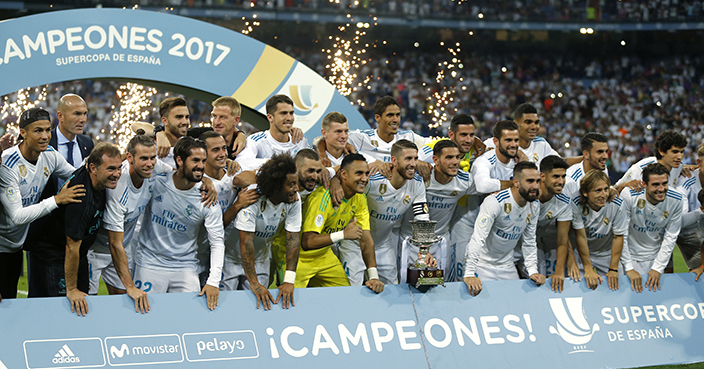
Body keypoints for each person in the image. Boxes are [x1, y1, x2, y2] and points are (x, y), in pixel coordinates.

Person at [28, 143, 122, 317]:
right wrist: (71, 289)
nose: (116, 174)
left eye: (119, 168)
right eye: (111, 169)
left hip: (78, 254)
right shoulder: (80, 197)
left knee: (83, 300)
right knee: (61, 308)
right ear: (93, 168)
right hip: (53, 255)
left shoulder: (95, 177)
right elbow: (71, 246)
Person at [0, 108, 84, 301]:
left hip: (16, 245)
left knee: (10, 303)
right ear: (23, 132)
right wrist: (56, 200)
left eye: (48, 130)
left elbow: (76, 175)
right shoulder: (8, 165)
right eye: (38, 130)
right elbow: (18, 216)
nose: (46, 136)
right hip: (2, 247)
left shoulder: (49, 155)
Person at [133, 137, 225, 310]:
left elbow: (217, 243)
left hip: (185, 266)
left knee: (189, 320)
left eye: (203, 161)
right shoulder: (157, 182)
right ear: (180, 161)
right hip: (149, 264)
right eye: (195, 160)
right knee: (145, 321)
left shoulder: (207, 199)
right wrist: (159, 133)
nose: (201, 166)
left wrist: (213, 281)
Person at [297, 153, 384, 293]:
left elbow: (366, 238)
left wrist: (373, 276)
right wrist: (342, 234)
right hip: (296, 256)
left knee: (343, 296)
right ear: (343, 174)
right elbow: (307, 242)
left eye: (367, 174)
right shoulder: (322, 197)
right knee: (286, 300)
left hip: (324, 255)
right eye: (359, 173)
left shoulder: (359, 197)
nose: (365, 179)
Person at [399, 140, 477, 282]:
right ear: (435, 159)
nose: (455, 162)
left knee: (440, 288)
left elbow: (490, 185)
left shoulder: (464, 181)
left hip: (440, 243)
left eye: (458, 157)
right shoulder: (418, 177)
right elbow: (393, 168)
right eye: (449, 157)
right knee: (405, 287)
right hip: (409, 240)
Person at [463, 161, 545, 296]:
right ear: (516, 182)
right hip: (482, 264)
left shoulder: (534, 205)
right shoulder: (495, 202)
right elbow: (478, 239)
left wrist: (532, 271)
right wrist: (470, 273)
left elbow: (529, 241)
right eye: (530, 181)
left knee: (516, 304)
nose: (535, 186)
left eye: (537, 181)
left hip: (507, 265)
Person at [236, 154, 302, 310]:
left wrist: (289, 280)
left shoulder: (293, 200)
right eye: (291, 184)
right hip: (231, 258)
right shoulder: (252, 196)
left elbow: (292, 240)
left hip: (260, 259)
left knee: (257, 307)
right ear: (277, 185)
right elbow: (246, 242)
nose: (296, 189)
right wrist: (253, 283)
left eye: (296, 183)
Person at [360, 139, 429, 284]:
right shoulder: (373, 180)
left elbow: (422, 218)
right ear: (394, 161)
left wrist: (424, 251)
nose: (413, 164)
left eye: (416, 158)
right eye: (408, 159)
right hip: (355, 244)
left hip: (382, 244)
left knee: (392, 287)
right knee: (352, 287)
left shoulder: (417, 183)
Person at [195, 131, 257, 290]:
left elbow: (267, 169)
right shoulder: (197, 185)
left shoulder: (234, 171)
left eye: (224, 148)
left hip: (231, 252)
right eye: (216, 150)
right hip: (201, 253)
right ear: (203, 153)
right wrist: (237, 206)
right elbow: (209, 229)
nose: (222, 154)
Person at [620, 163, 683, 293]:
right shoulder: (629, 195)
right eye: (655, 185)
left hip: (654, 258)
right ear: (644, 184)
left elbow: (671, 236)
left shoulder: (676, 199)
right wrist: (629, 267)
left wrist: (658, 268)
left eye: (664, 183)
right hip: (628, 257)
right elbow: (621, 233)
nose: (661, 189)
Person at [270, 149, 324, 286]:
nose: (315, 177)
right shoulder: (276, 184)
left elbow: (338, 171)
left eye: (318, 172)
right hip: (269, 245)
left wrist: (334, 181)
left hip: (292, 244)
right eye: (310, 171)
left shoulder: (315, 186)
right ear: (296, 168)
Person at [346, 96, 432, 178]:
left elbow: (436, 145)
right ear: (377, 118)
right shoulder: (362, 138)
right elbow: (338, 142)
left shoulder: (408, 137)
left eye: (397, 115)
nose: (395, 120)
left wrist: (417, 159)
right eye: (390, 115)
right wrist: (372, 161)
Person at [570, 170, 628, 291]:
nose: (603, 195)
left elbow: (618, 236)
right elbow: (580, 236)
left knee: (616, 289)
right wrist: (588, 269)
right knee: (578, 290)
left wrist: (613, 269)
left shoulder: (617, 203)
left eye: (606, 189)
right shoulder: (575, 202)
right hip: (582, 254)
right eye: (598, 190)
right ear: (585, 192)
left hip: (606, 253)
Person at [154, 96, 250, 160]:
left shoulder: (247, 146)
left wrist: (240, 134)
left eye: (223, 117)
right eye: (214, 116)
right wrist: (159, 133)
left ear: (236, 120)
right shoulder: (202, 135)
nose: (216, 122)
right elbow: (174, 131)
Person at [236, 94, 310, 170]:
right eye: (283, 113)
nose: (289, 118)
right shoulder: (256, 141)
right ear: (270, 117)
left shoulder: (300, 140)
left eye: (291, 113)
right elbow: (241, 162)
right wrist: (274, 164)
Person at [534, 155, 573, 292]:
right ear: (543, 176)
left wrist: (559, 272)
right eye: (556, 176)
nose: (561, 181)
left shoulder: (564, 202)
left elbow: (562, 240)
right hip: (507, 247)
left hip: (533, 246)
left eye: (563, 176)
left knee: (540, 284)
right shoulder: (528, 194)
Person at [615, 130, 687, 193]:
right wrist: (623, 185)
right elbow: (614, 190)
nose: (679, 157)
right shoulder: (640, 169)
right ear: (661, 151)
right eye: (675, 152)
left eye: (682, 152)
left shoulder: (678, 166)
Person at [673, 143, 704, 272]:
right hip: (685, 230)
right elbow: (679, 222)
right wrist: (701, 211)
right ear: (699, 162)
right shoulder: (686, 181)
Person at [564, 132, 610, 197]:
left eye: (606, 151)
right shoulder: (571, 182)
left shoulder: (601, 166)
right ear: (586, 154)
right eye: (600, 152)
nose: (605, 156)